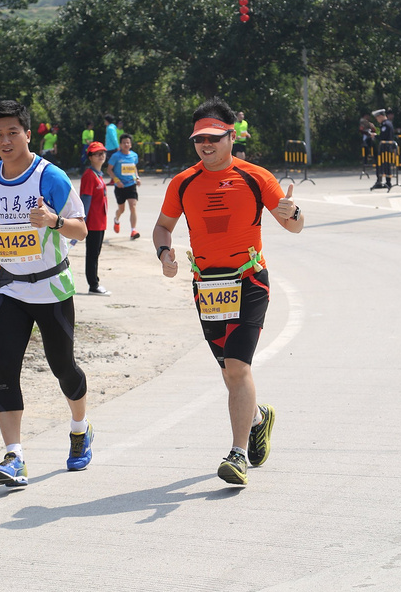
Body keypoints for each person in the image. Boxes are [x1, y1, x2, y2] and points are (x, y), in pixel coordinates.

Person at [152, 97, 304, 487]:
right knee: (228, 372)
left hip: (249, 280)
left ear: (231, 137)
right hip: (208, 286)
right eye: (199, 138)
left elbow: (294, 226)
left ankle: (236, 455)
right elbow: (163, 227)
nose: (206, 145)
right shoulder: (183, 182)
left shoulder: (255, 177)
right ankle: (257, 418)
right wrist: (164, 253)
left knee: (237, 367)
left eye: (214, 138)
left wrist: (293, 213)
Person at [0, 99, 92, 489]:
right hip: (8, 286)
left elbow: (82, 229)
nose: (5, 140)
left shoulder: (50, 177)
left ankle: (80, 429)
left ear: (28, 133)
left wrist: (56, 221)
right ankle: (15, 457)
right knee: (5, 370)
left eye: (12, 132)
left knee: (64, 368)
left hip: (52, 287)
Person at [80, 141, 111, 295]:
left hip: (100, 222)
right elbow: (85, 201)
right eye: (97, 153)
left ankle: (95, 283)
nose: (101, 156)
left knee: (95, 254)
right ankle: (93, 285)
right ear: (90, 157)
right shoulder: (89, 176)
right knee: (92, 255)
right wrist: (81, 223)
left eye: (103, 153)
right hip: (92, 223)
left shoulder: (98, 175)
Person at [106, 133, 141, 239]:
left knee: (133, 206)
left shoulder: (134, 155)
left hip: (131, 185)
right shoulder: (116, 156)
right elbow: (109, 170)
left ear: (130, 144)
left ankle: (133, 231)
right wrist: (116, 181)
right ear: (120, 145)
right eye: (124, 143)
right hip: (120, 187)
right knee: (121, 209)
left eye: (128, 142)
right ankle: (116, 220)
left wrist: (137, 177)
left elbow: (134, 167)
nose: (126, 144)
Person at [371, 108, 394, 189]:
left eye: (377, 118)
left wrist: (375, 136)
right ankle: (383, 181)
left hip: (386, 148)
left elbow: (383, 137)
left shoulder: (385, 124)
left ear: (381, 116)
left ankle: (386, 182)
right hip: (386, 147)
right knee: (384, 164)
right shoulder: (387, 123)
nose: (377, 119)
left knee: (384, 164)